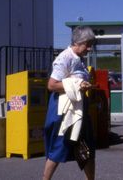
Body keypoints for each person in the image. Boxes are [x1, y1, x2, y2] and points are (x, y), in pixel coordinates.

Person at [43, 26, 96, 180]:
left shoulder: (79, 59)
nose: (89, 48)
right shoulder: (65, 58)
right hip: (64, 112)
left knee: (87, 148)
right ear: (78, 42)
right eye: (88, 44)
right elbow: (52, 85)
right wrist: (77, 84)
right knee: (59, 147)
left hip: (79, 110)